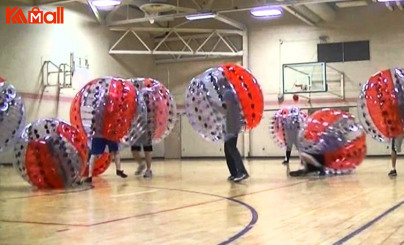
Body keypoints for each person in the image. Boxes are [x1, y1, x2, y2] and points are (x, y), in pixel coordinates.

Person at [223, 87, 249, 182]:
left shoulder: (233, 108)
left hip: (231, 132)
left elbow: (236, 121)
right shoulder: (230, 108)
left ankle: (242, 172)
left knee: (232, 150)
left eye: (226, 99)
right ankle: (234, 173)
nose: (225, 101)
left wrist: (233, 132)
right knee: (228, 151)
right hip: (229, 132)